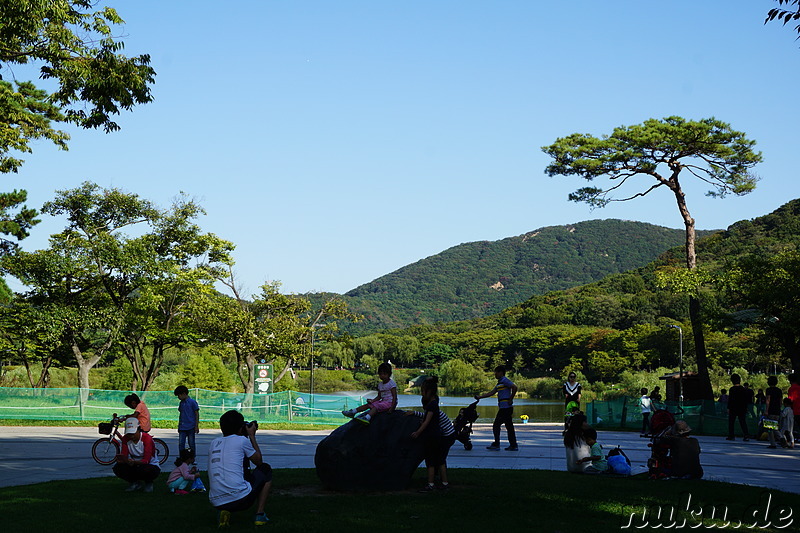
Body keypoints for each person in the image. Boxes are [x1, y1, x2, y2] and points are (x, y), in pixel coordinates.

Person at [209, 410, 272, 528]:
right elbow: (258, 462)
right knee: (265, 469)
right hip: (240, 500)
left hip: (216, 501)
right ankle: (260, 515)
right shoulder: (242, 440)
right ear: (240, 428)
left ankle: (224, 511)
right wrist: (252, 436)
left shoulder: (214, 443)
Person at [408, 376, 456, 492]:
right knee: (440, 461)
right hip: (438, 436)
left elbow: (427, 422)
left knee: (430, 462)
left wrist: (418, 432)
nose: (422, 394)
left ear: (429, 391)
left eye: (423, 392)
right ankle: (444, 484)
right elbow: (428, 419)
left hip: (432, 437)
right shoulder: (435, 404)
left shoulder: (431, 406)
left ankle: (431, 484)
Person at [475, 365, 518, 451]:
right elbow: (491, 393)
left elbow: (514, 387)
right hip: (504, 407)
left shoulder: (505, 380)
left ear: (501, 372)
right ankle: (513, 445)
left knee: (496, 425)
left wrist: (510, 399)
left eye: (496, 372)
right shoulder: (499, 383)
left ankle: (497, 444)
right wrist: (480, 397)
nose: (495, 374)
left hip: (506, 408)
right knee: (509, 426)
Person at [112, 417, 161, 492]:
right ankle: (134, 482)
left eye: (133, 433)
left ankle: (148, 482)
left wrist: (134, 462)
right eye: (129, 434)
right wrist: (123, 460)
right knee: (117, 468)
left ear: (138, 429)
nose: (131, 436)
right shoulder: (126, 439)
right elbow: (124, 453)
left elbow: (147, 460)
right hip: (134, 464)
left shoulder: (146, 438)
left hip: (149, 465)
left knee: (146, 470)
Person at [174, 385, 200, 453]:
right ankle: (182, 458)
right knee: (181, 444)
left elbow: (196, 414)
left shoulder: (192, 402)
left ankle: (192, 458)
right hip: (182, 427)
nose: (178, 397)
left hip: (191, 426)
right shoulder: (181, 403)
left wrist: (196, 426)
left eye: (179, 395)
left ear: (184, 394)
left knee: (191, 443)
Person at [726, 374, 750, 441]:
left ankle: (731, 435)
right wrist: (746, 407)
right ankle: (746, 435)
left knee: (731, 422)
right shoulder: (743, 389)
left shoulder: (732, 389)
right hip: (742, 407)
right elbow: (745, 399)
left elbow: (730, 400)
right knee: (742, 421)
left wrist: (728, 408)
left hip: (733, 407)